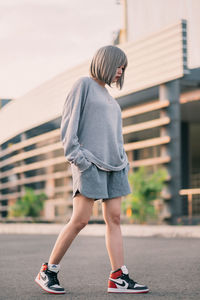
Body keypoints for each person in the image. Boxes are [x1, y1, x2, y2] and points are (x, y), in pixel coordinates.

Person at [35, 45, 149, 295]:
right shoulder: (83, 85)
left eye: (123, 68)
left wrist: (124, 161)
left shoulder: (110, 97)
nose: (120, 71)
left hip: (115, 166)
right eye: (118, 65)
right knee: (80, 220)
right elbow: (68, 127)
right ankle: (48, 271)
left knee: (115, 218)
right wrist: (79, 159)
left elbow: (115, 136)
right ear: (105, 62)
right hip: (90, 164)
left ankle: (118, 277)